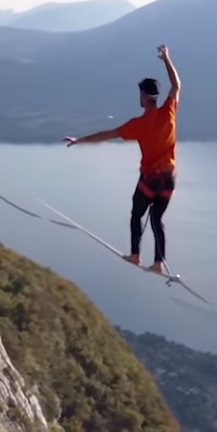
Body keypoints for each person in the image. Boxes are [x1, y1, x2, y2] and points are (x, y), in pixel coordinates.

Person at [63, 44, 181, 275]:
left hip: (150, 179)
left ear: (145, 97)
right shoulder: (169, 112)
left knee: (137, 214)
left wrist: (80, 140)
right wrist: (167, 59)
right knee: (157, 218)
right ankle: (158, 263)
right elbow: (176, 85)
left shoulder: (137, 125)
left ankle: (135, 255)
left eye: (140, 94)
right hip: (169, 177)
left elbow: (106, 135)